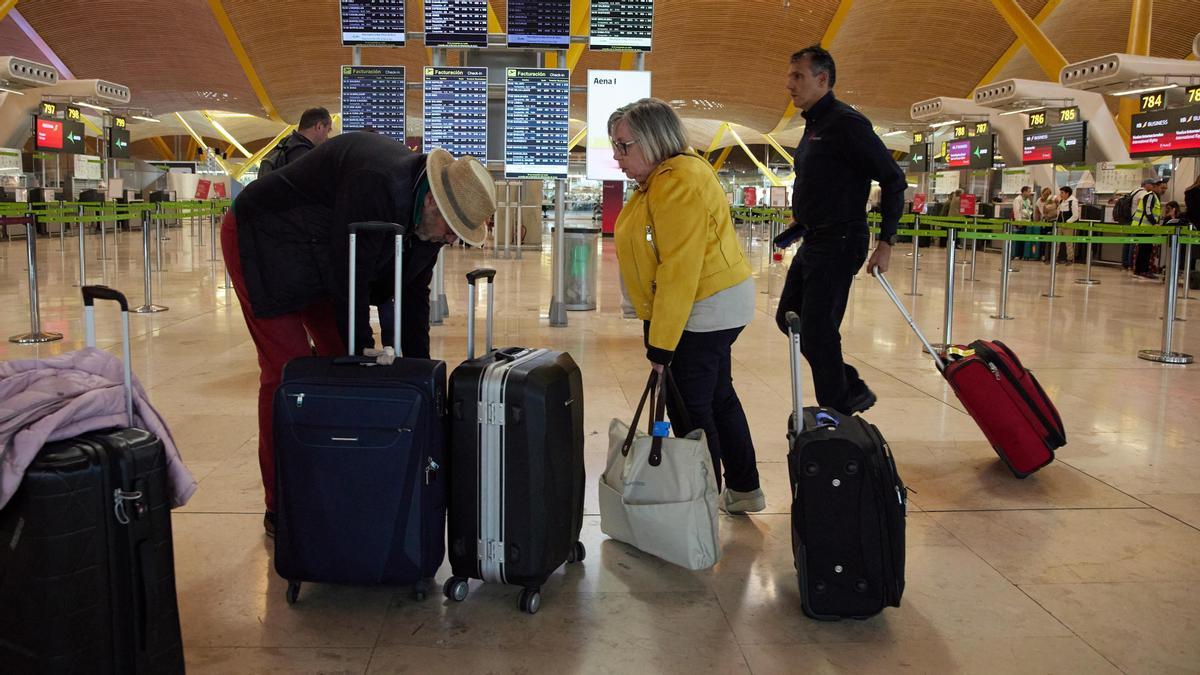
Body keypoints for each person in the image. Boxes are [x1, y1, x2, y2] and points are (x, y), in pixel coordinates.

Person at [221, 132, 495, 535]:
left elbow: (412, 296)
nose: (451, 239)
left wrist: (422, 381)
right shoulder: (379, 183)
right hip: (262, 240)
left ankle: (336, 472)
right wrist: (364, 356)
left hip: (321, 255)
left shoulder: (430, 220)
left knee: (341, 361)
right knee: (287, 372)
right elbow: (351, 279)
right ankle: (283, 503)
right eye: (452, 228)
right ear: (434, 200)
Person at [609, 97, 763, 514]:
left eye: (624, 145)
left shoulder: (677, 181)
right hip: (712, 305)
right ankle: (744, 489)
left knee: (691, 409)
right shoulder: (661, 179)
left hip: (703, 309)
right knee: (717, 397)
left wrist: (661, 344)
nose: (616, 156)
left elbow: (680, 268)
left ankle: (700, 504)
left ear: (655, 139)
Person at [773, 45, 906, 415]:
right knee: (789, 318)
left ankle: (839, 410)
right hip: (815, 238)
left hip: (842, 239)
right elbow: (827, 185)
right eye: (789, 75)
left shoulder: (846, 124)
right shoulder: (814, 125)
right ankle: (849, 388)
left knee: (817, 331)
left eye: (797, 76)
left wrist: (886, 243)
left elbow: (893, 179)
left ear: (822, 79)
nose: (789, 84)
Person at [258, 107, 334, 176]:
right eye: (328, 130)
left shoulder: (286, 144)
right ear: (319, 126)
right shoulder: (304, 155)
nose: (327, 137)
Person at [1133, 178, 1168, 279]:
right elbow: (1147, 211)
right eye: (1162, 187)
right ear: (1155, 186)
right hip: (1144, 227)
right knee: (1145, 249)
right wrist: (1154, 223)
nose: (1164, 190)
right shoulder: (1150, 196)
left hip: (1147, 227)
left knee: (1145, 248)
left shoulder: (1156, 197)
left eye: (1165, 188)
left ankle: (1139, 270)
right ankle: (1143, 270)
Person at [1056, 186, 1081, 265]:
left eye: (1062, 193)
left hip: (1069, 225)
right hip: (1060, 224)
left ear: (1067, 193)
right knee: (1057, 242)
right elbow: (1059, 212)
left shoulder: (1073, 201)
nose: (1061, 194)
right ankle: (1056, 258)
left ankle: (1070, 259)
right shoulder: (1061, 201)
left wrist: (1067, 222)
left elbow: (1075, 215)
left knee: (1069, 243)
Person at [1011, 186, 1036, 260]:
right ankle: (1015, 254)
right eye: (1028, 191)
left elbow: (1029, 210)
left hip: (1027, 222)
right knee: (1018, 239)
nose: (1029, 193)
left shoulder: (1028, 200)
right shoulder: (1017, 200)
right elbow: (1017, 211)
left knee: (1025, 239)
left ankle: (1023, 254)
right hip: (1020, 221)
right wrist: (1019, 222)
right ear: (1024, 192)